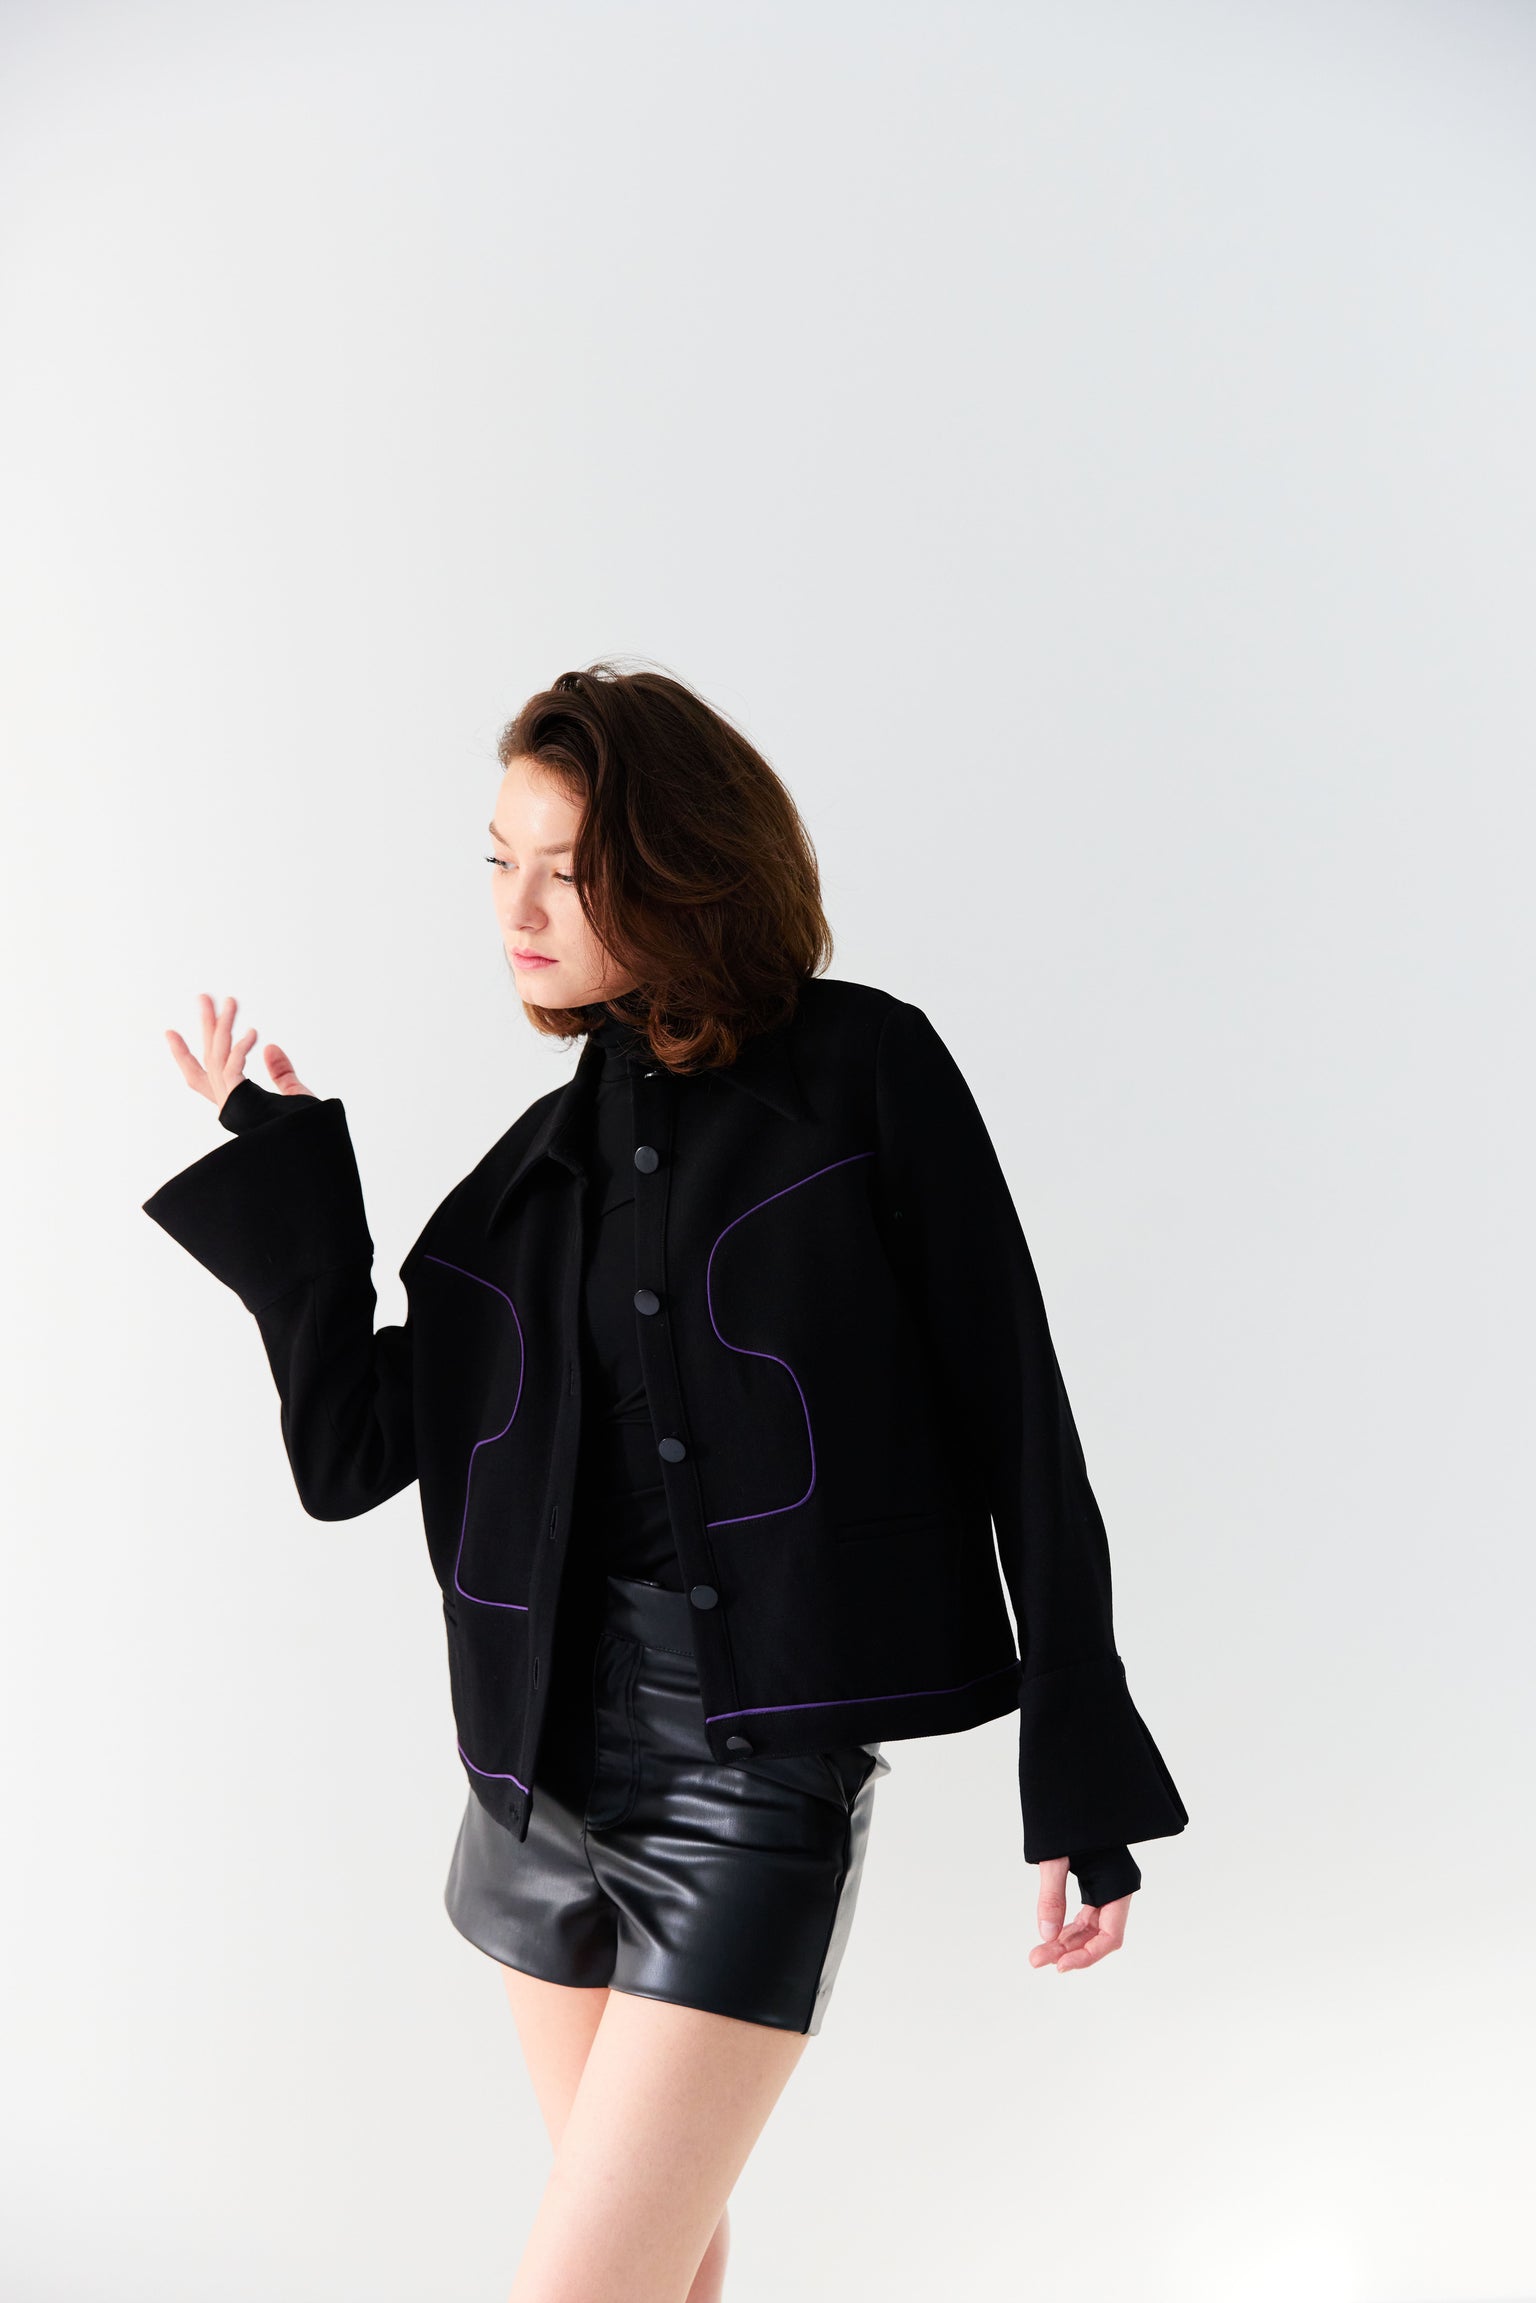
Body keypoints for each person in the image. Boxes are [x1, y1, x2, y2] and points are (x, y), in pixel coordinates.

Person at [143, 660, 1189, 2303]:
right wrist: (288, 1178)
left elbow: (1020, 1414)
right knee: (660, 2281)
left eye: (568, 870)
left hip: (750, 1790)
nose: (519, 909)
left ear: (682, 864)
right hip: (533, 1793)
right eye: (501, 861)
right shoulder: (528, 1185)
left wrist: (1079, 1765)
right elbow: (349, 1454)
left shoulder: (865, 1075)